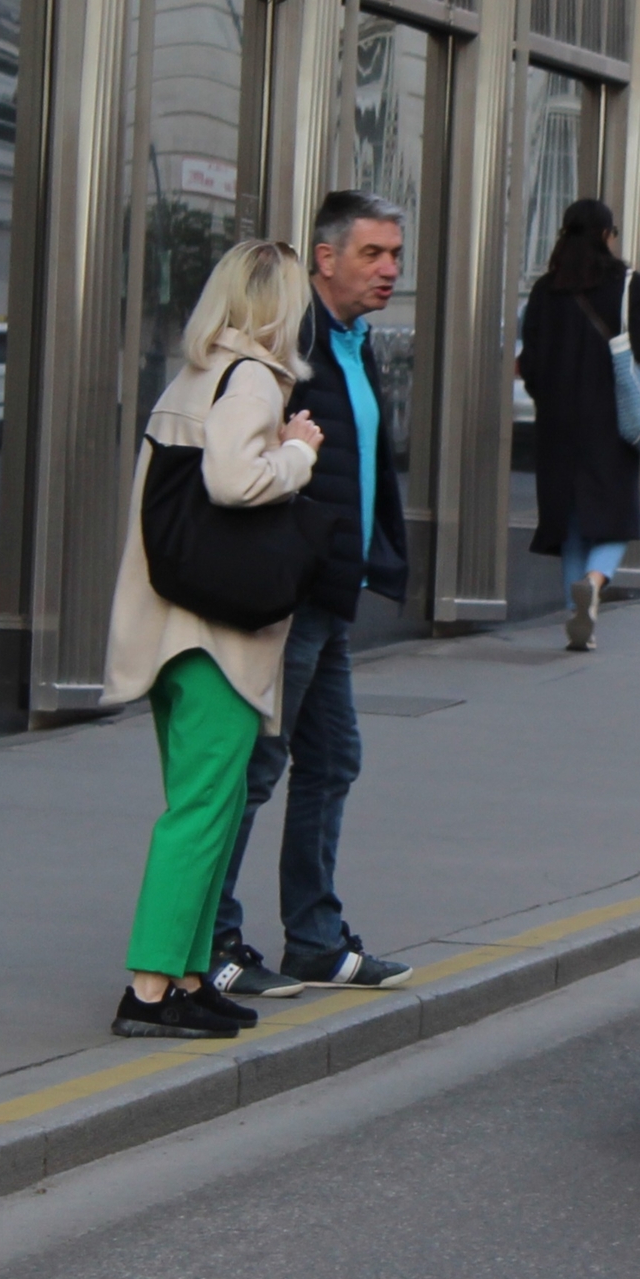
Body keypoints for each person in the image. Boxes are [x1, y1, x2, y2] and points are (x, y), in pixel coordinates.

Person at [101, 240, 326, 1037]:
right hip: (214, 638)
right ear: (279, 306)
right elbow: (234, 481)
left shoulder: (191, 376)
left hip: (168, 632)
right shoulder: (255, 378)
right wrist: (296, 453)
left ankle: (190, 976)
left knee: (212, 807)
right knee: (201, 813)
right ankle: (151, 988)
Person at [206, 191, 415, 1000]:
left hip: (332, 592)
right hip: (290, 594)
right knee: (257, 765)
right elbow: (252, 467)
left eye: (395, 254)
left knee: (332, 760)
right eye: (373, 254)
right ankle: (214, 940)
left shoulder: (357, 344)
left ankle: (316, 941)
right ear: (324, 259)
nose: (390, 269)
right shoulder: (288, 344)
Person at [518, 198, 640, 652]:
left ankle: (580, 618)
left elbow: (531, 361)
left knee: (572, 524)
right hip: (609, 417)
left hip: (557, 422)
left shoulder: (545, 290)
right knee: (615, 520)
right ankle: (594, 586)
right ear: (605, 235)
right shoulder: (626, 284)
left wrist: (549, 396)